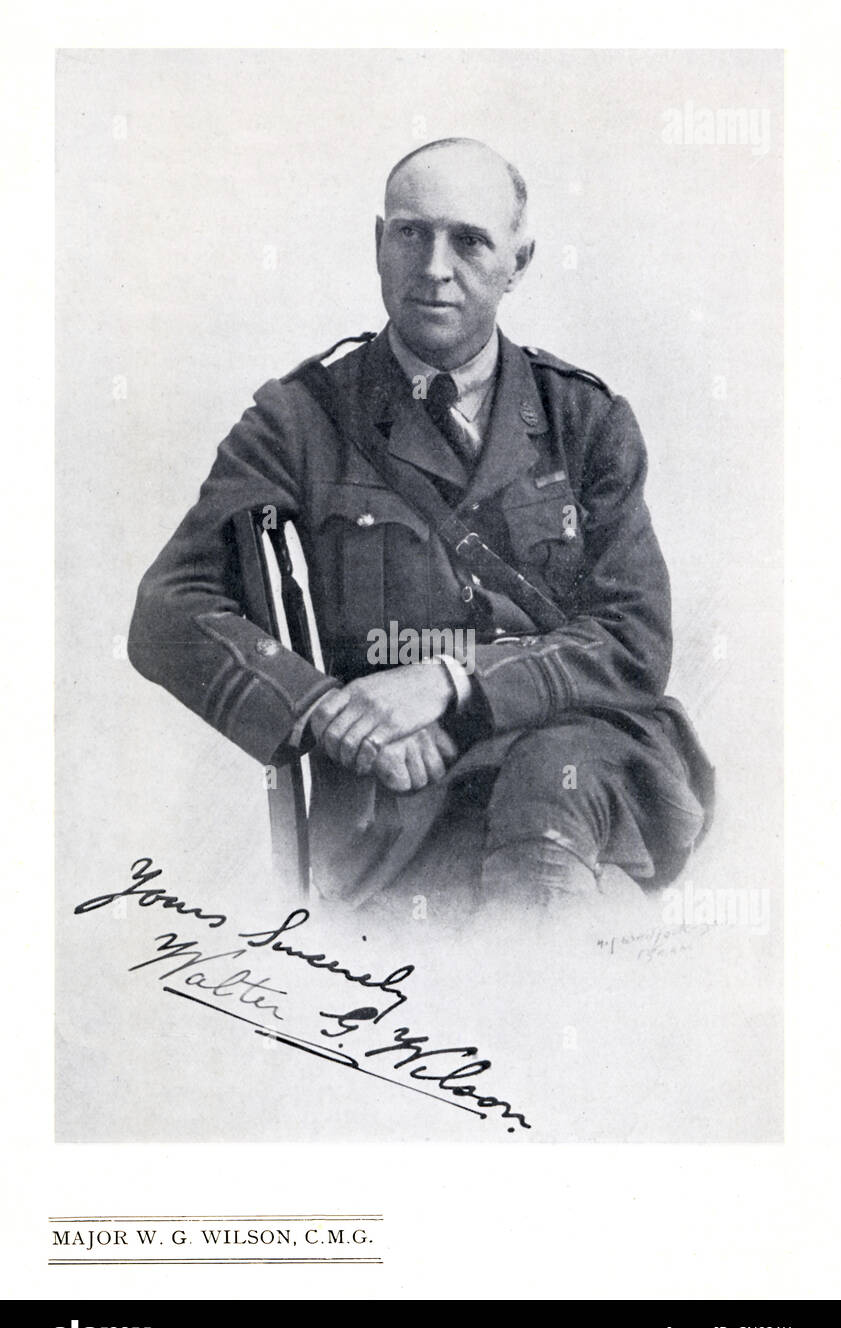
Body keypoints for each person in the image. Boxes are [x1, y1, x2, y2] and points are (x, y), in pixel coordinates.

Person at [128, 137, 713, 917]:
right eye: (411, 233)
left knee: (551, 813)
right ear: (378, 243)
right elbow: (170, 609)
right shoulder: (298, 421)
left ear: (519, 260)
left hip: (584, 783)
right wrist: (328, 714)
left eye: (468, 239)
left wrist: (446, 682)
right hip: (401, 808)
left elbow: (633, 638)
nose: (434, 265)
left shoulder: (583, 420)